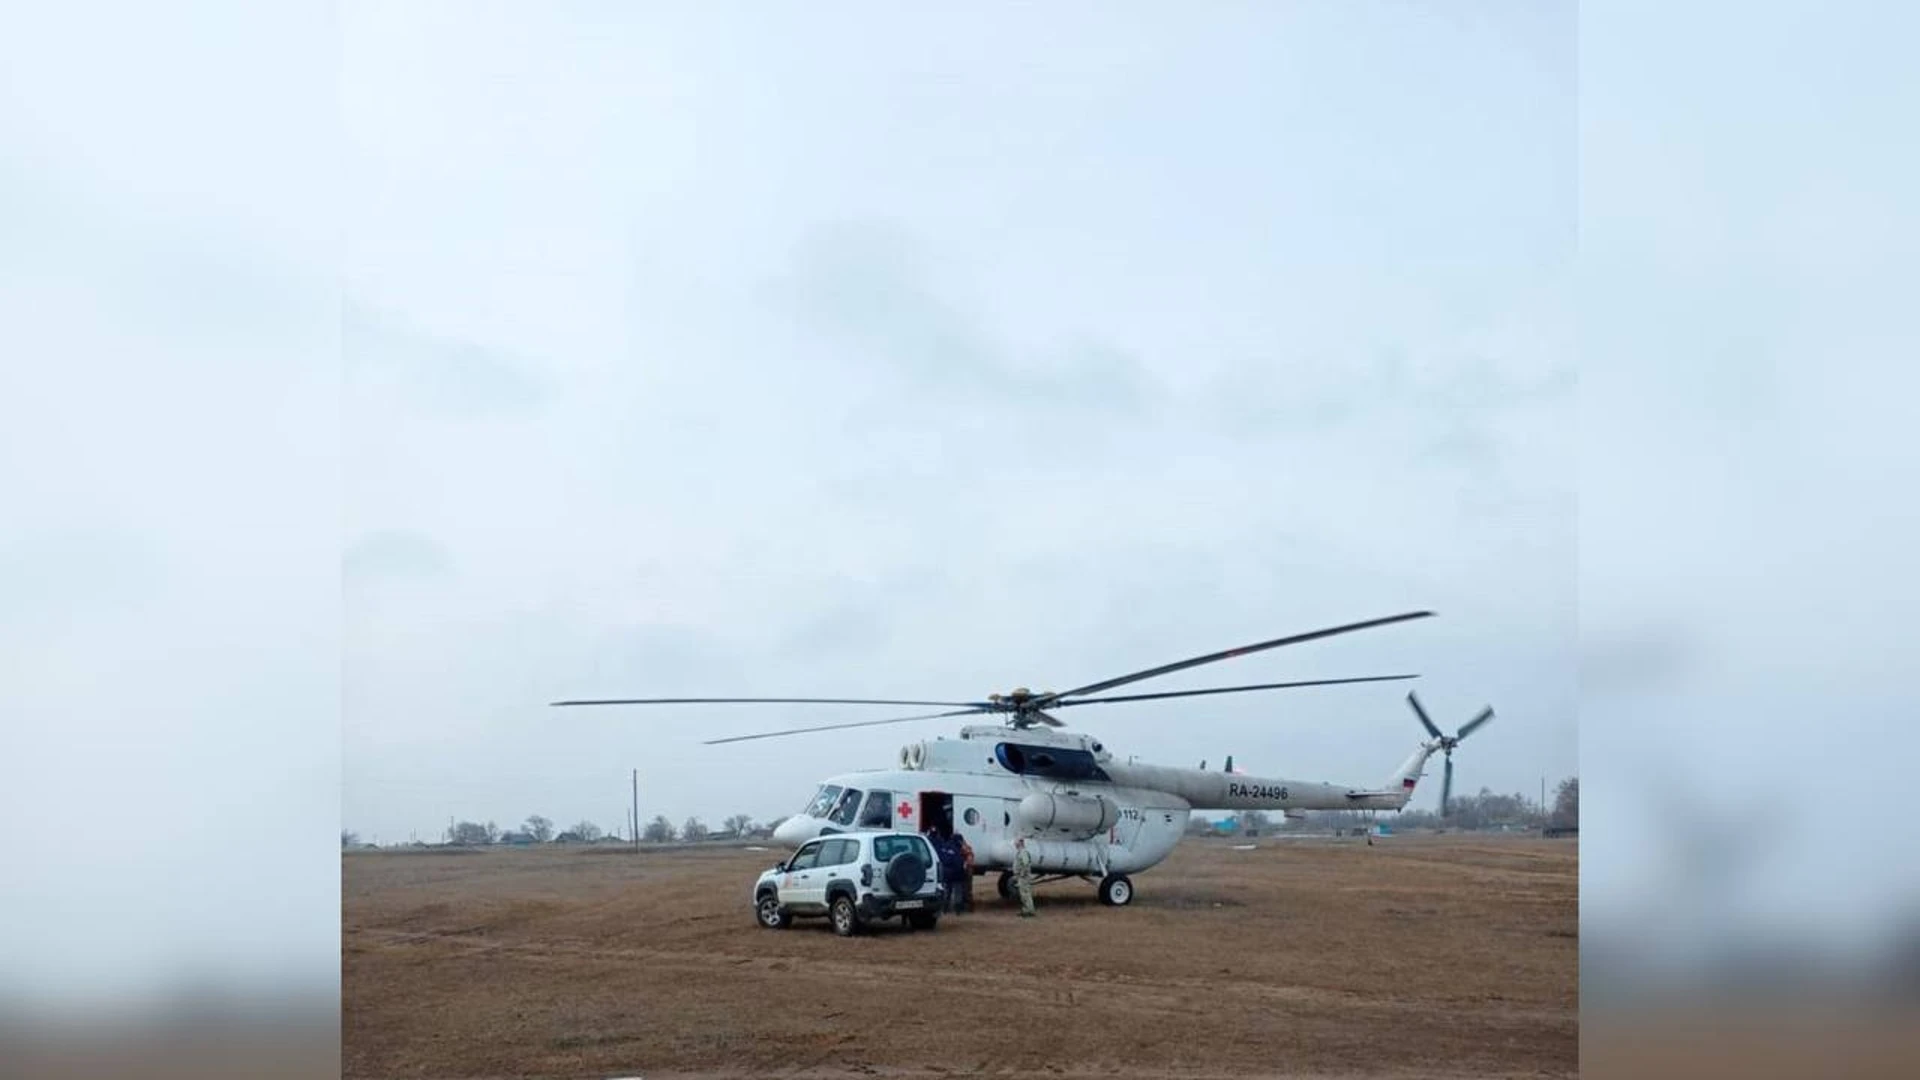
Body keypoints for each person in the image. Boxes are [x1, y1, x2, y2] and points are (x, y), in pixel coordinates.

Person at [1012, 836, 1035, 917]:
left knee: (1025, 894)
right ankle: (1026, 909)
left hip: (1023, 877)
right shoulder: (1020, 852)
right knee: (1023, 894)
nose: (1015, 844)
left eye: (1016, 842)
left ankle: (1029, 911)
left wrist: (1021, 874)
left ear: (1020, 843)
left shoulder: (1023, 852)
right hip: (1021, 877)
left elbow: (1025, 864)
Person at [955, 831, 976, 913]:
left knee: (967, 890)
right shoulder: (966, 847)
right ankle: (966, 906)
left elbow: (969, 860)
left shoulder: (965, 848)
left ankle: (969, 907)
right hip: (966, 871)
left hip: (967, 872)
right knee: (965, 890)